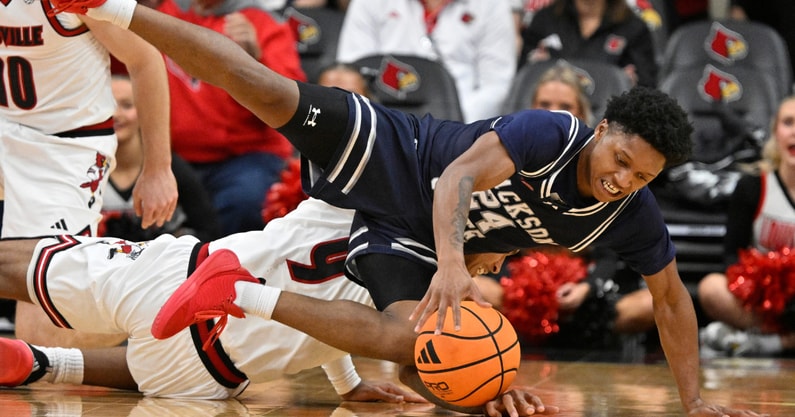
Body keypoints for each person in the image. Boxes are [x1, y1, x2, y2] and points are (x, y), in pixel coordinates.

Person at [54, 1, 767, 416]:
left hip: (405, 233)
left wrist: (694, 399)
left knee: (407, 339)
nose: (621, 182)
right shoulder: (550, 132)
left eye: (640, 177)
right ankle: (110, 6)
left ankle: (236, 292)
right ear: (604, 129)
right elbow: (456, 179)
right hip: (403, 155)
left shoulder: (630, 213)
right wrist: (458, 264)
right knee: (264, 88)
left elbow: (671, 301)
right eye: (620, 161)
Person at [0, 198, 424, 404]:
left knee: (9, 267)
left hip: (178, 278)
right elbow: (336, 315)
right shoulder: (415, 293)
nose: (494, 263)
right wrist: (348, 386)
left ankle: (39, 360)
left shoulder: (365, 194)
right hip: (211, 376)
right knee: (152, 365)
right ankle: (42, 362)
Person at [0, 0, 178, 349]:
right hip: (7, 127)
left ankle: (165, 303)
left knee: (40, 338)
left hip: (65, 149)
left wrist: (157, 168)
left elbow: (145, 60)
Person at [152, 0, 306, 236]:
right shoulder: (164, 13)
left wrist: (255, 60)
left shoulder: (263, 23)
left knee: (243, 203)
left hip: (246, 157)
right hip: (174, 157)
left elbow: (291, 106)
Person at [697, 96, 795, 357]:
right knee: (711, 288)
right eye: (788, 122)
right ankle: (780, 341)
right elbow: (731, 255)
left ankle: (764, 344)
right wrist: (755, 288)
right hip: (762, 304)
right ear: (775, 132)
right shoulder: (753, 186)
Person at [336, 0, 517, 123]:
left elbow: (497, 84)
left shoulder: (492, 4)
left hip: (460, 124)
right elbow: (351, 69)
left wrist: (452, 128)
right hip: (379, 121)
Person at [101, 75, 222, 242]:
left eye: (127, 106)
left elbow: (210, 232)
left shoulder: (171, 167)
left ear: (144, 112)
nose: (116, 114)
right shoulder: (85, 169)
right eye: (109, 105)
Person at [520, 0, 658, 88]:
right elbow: (522, 79)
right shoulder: (544, 20)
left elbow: (646, 86)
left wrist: (628, 83)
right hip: (551, 114)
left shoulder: (634, 27)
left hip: (608, 121)